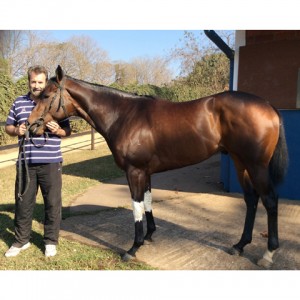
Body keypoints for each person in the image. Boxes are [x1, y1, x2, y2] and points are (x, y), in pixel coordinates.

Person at [4, 65, 71, 257]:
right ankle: (21, 241)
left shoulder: (55, 101)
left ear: (46, 82)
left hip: (51, 162)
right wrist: (16, 130)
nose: (36, 85)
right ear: (29, 82)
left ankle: (50, 241)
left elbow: (67, 131)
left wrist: (57, 130)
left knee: (52, 203)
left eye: (40, 82)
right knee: (23, 202)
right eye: (33, 81)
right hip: (26, 162)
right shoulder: (19, 102)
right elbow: (8, 127)